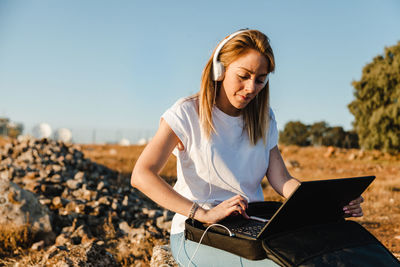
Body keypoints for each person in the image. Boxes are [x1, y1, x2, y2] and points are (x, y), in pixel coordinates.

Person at [131, 29, 364, 266]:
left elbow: (281, 179)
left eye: (260, 79)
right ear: (218, 71)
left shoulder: (265, 119)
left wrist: (328, 204)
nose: (252, 87)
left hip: (252, 228)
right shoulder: (186, 113)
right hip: (198, 234)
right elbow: (142, 175)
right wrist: (203, 214)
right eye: (243, 75)